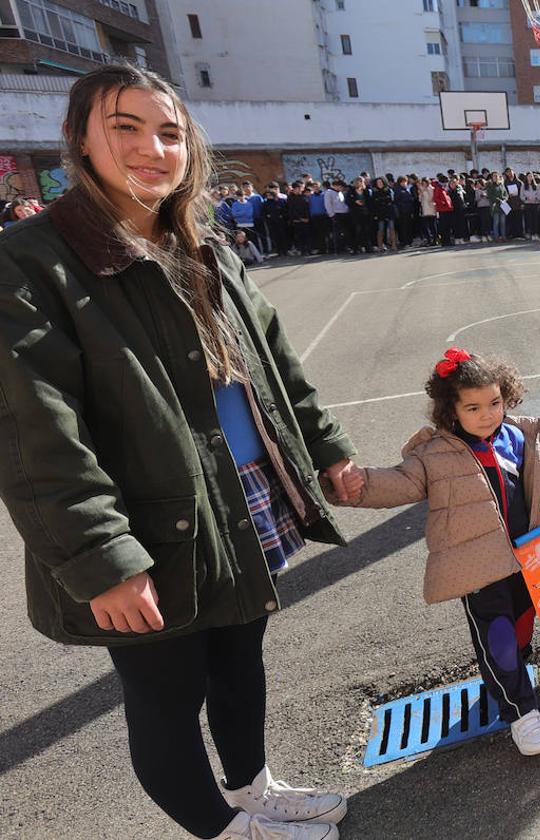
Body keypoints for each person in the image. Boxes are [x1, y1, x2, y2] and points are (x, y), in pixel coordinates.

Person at [0, 64, 362, 840]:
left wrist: (329, 453)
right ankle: (225, 832)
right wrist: (103, 557)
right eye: (125, 127)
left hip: (244, 497)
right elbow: (35, 428)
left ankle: (252, 790)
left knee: (240, 659)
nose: (153, 148)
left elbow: (276, 367)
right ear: (80, 139)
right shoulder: (32, 260)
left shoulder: (205, 244)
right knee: (166, 695)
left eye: (169, 131)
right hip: (148, 523)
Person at [330, 349, 540, 756]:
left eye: (495, 403)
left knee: (521, 628)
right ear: (451, 410)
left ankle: (511, 678)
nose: (487, 415)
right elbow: (401, 482)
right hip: (478, 568)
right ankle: (521, 711)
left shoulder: (517, 436)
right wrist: (360, 485)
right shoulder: (434, 455)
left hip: (527, 557)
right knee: (497, 638)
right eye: (473, 407)